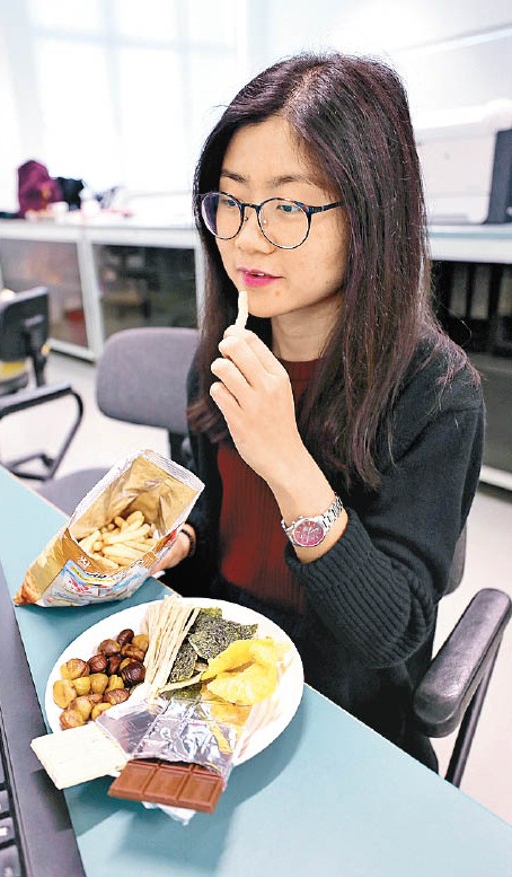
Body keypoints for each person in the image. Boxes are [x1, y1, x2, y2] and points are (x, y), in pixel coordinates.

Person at [155, 51, 484, 768]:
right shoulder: (228, 351)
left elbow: (389, 633)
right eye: (231, 199)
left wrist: (287, 462)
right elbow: (223, 519)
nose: (246, 235)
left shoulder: (435, 394)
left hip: (342, 709)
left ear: (371, 213)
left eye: (287, 205)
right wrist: (179, 540)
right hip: (217, 658)